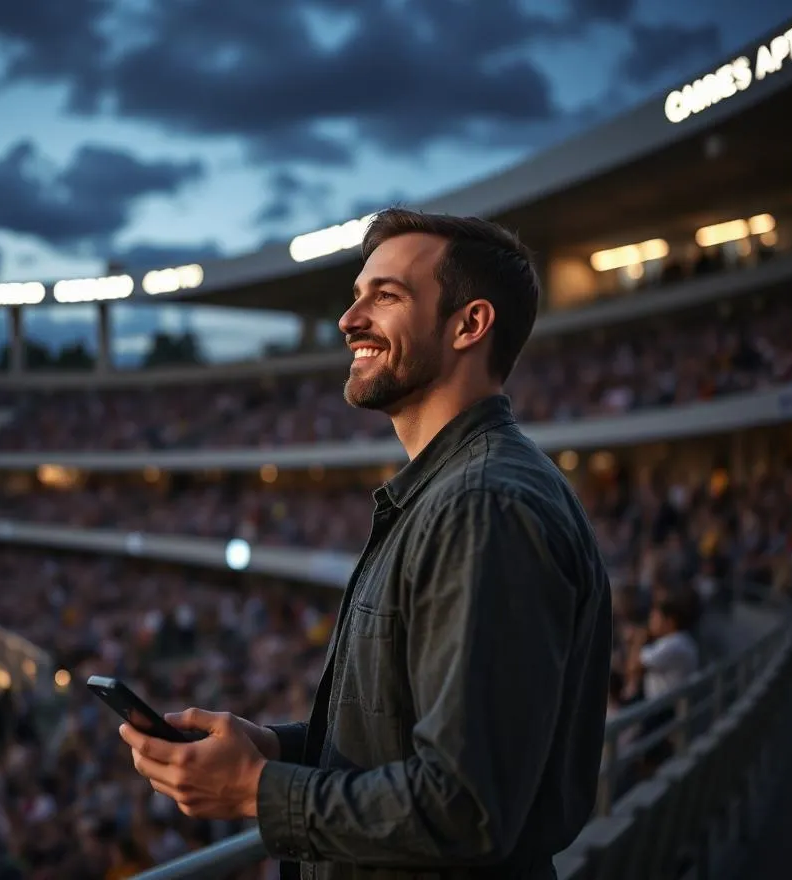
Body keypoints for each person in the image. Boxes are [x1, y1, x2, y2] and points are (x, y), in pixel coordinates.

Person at [120, 208, 613, 879]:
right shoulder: (453, 494)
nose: (350, 321)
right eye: (356, 297)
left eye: (385, 296)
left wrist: (255, 791)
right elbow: (407, 738)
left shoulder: (482, 507)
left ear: (469, 324)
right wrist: (277, 750)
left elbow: (466, 806)